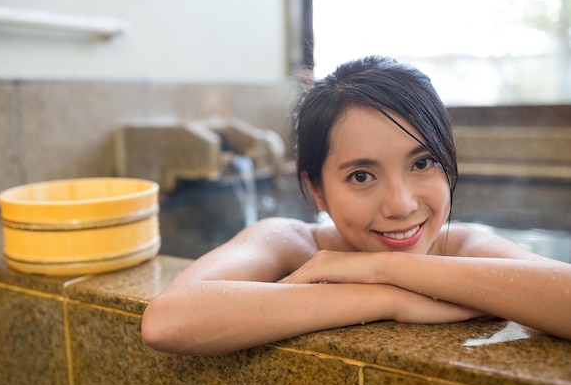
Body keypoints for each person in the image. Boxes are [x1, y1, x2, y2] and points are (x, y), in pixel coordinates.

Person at [141, 55, 571, 356]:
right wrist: (388, 300)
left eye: (423, 162)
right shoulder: (289, 243)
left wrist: (382, 268)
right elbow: (168, 320)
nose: (401, 205)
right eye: (361, 176)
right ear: (318, 190)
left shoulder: (463, 247)